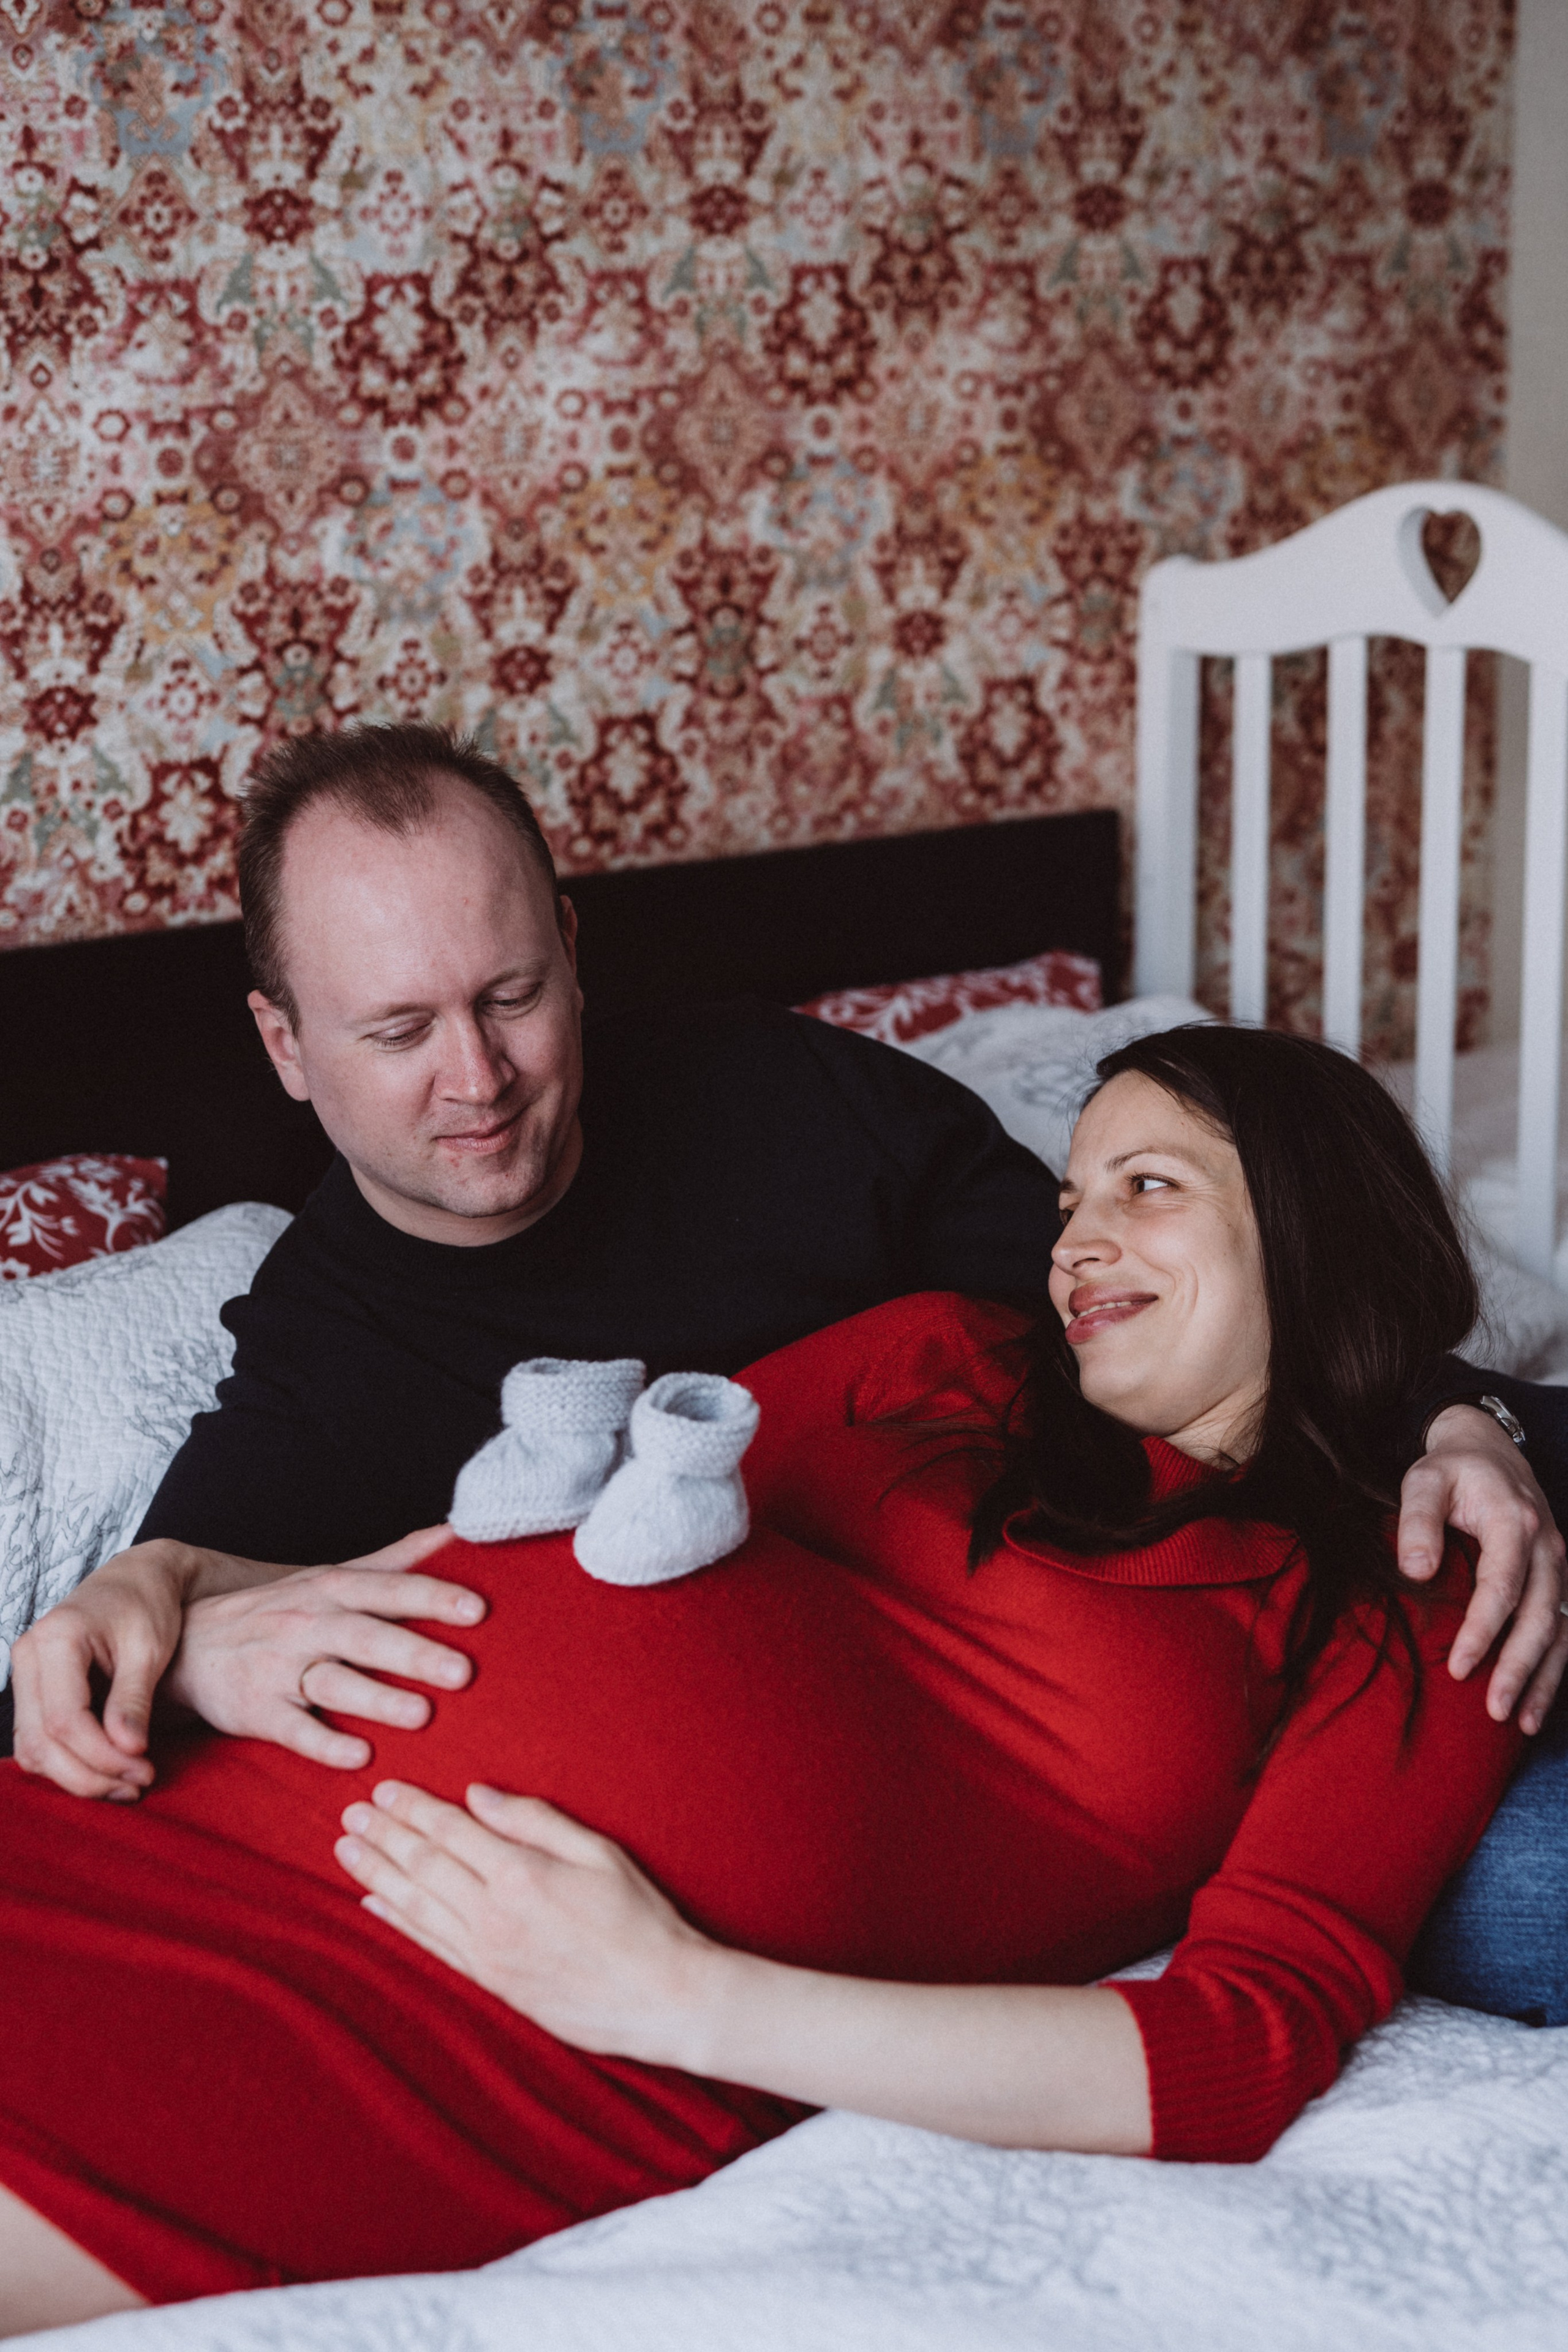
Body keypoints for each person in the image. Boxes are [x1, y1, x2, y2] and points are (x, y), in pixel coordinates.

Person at [0, 1025, 1529, 2333]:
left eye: (1147, 1187)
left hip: (455, 2025)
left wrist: (677, 1996)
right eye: (1068, 1198)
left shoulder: (1410, 1584)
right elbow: (570, 1507)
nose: (1070, 1242)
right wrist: (184, 1593)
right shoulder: (945, 1351)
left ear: (1310, 1215)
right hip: (178, 1816)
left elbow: (1236, 2046)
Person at [8, 728, 1566, 1986]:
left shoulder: (782, 1100)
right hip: (1087, 1781)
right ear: (286, 1046)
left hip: (1246, 1571)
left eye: (511, 998)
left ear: (570, 949)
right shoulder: (325, 1344)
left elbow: (1162, 1305)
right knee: (1528, 1886)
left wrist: (1457, 1415)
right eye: (399, 1032)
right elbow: (134, 1656)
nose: (476, 1079)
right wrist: (167, 1618)